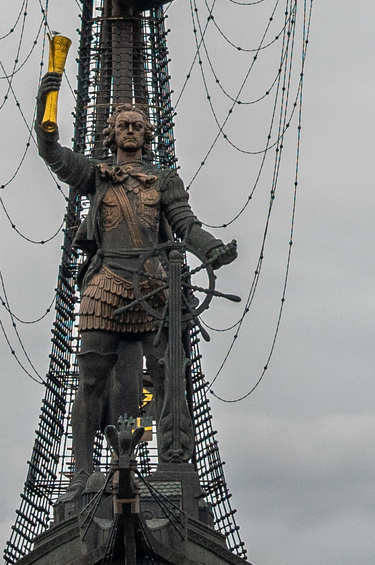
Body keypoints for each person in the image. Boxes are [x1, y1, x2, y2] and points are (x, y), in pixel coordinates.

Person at [35, 73, 235, 500]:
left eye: (137, 126)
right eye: (122, 125)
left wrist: (211, 249)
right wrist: (46, 104)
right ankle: (82, 470)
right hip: (107, 284)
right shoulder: (97, 176)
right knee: (89, 375)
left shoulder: (163, 181)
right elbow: (51, 154)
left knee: (167, 372)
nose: (129, 130)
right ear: (112, 133)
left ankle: (173, 462)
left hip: (153, 285)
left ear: (147, 135)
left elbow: (185, 224)